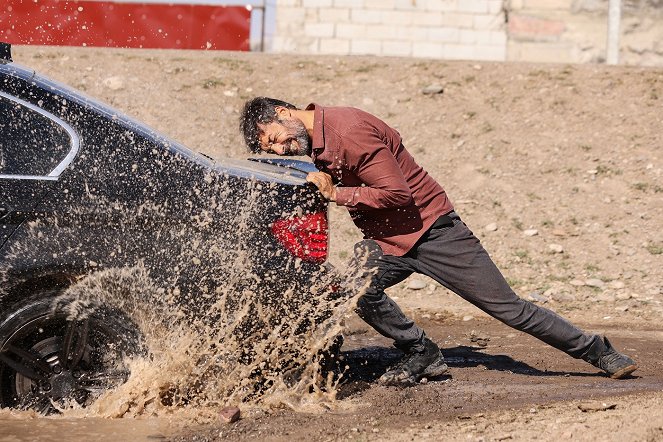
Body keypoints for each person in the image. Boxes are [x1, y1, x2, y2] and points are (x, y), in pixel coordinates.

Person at [238, 97, 638, 386]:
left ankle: (598, 351)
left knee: (509, 310)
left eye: (273, 138)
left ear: (283, 113)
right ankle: (421, 353)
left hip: (434, 232)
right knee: (355, 286)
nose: (278, 148)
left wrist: (335, 194)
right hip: (389, 240)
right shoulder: (318, 142)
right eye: (270, 148)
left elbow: (397, 194)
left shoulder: (349, 131)